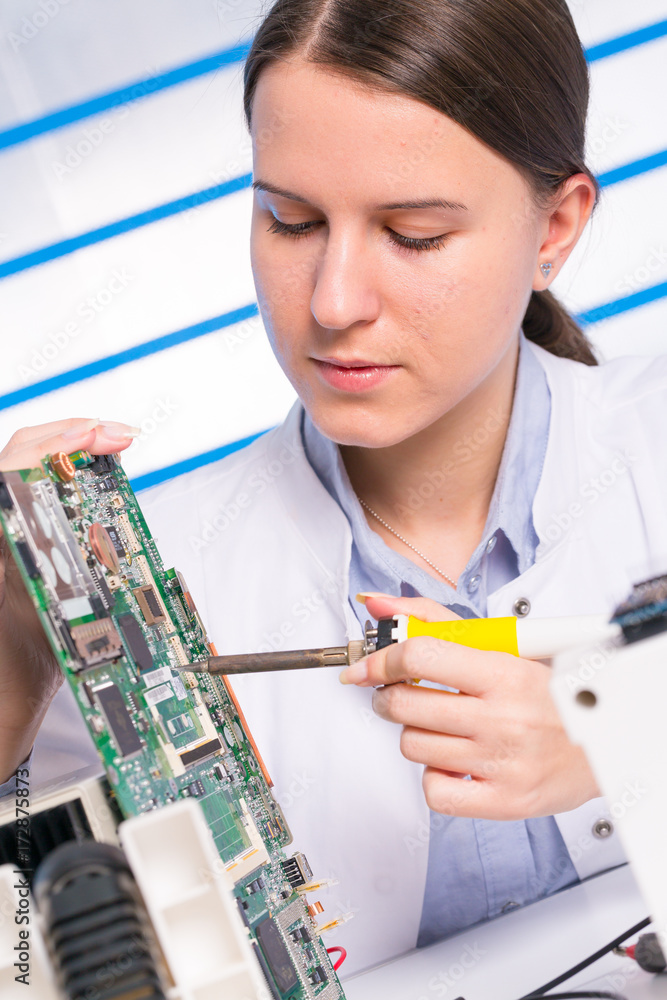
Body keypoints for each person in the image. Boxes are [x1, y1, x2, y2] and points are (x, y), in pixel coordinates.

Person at [1, 0, 666, 977]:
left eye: (414, 233)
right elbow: (29, 938)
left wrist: (628, 736)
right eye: (292, 220)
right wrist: (15, 648)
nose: (333, 301)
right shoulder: (150, 586)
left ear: (554, 228)